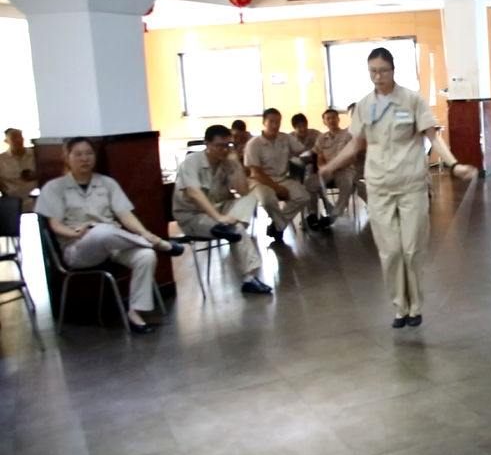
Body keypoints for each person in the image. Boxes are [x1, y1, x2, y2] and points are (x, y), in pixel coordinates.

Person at [319, 48, 477, 328]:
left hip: (411, 183)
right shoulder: (364, 105)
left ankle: (415, 307)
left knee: (412, 248)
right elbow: (355, 145)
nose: (378, 77)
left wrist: (454, 165)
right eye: (373, 71)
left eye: (383, 71)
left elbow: (433, 137)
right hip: (379, 185)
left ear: (393, 70)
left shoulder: (412, 100)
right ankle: (399, 307)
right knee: (390, 251)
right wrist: (330, 166)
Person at [34, 137, 184, 334]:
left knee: (145, 256)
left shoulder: (107, 183)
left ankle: (136, 313)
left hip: (113, 244)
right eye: (78, 154)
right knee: (100, 231)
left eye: (89, 154)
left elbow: (125, 215)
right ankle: (160, 244)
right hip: (78, 248)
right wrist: (76, 233)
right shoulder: (54, 187)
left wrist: (144, 232)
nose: (84, 159)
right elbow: (55, 225)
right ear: (67, 158)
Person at [172, 125, 274, 295]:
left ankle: (228, 226)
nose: (225, 150)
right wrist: (219, 218)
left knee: (252, 197)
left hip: (220, 209)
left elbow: (243, 191)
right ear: (207, 144)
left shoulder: (227, 161)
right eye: (220, 146)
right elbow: (194, 192)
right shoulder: (191, 162)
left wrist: (236, 164)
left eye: (228, 145)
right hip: (193, 216)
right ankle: (249, 279)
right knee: (237, 228)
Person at [245, 108, 321, 240]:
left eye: (278, 122)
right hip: (260, 181)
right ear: (264, 122)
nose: (275, 125)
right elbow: (256, 172)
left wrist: (315, 154)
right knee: (268, 200)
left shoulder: (286, 138)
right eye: (271, 122)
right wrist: (277, 188)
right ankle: (279, 226)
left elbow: (303, 151)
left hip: (282, 178)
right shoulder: (254, 144)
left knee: (303, 196)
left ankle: (277, 225)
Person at [309, 108, 364, 220]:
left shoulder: (348, 135)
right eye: (328, 118)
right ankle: (313, 215)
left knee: (346, 185)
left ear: (338, 119)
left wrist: (336, 167)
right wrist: (323, 168)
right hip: (328, 170)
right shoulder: (322, 138)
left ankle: (335, 215)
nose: (331, 120)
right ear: (324, 122)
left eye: (333, 117)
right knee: (309, 185)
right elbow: (319, 156)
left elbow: (351, 157)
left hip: (345, 169)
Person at [0, 128, 37, 212]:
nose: (18, 140)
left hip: (37, 199)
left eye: (20, 137)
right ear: (6, 141)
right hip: (12, 201)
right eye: (14, 138)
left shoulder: (36, 155)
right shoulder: (1, 160)